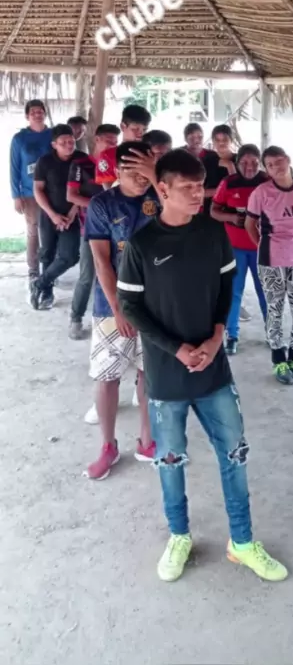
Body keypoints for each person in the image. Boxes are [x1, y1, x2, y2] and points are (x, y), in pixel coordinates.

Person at [117, 148, 288, 584]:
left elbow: (226, 288)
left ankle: (242, 542)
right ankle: (179, 536)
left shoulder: (213, 234)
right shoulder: (142, 244)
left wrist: (215, 338)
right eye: (188, 188)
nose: (198, 195)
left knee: (234, 454)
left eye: (201, 186)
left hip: (213, 369)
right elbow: (130, 307)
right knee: (170, 460)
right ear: (162, 189)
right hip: (167, 374)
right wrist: (176, 349)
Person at [84, 141, 161, 479]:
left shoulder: (162, 196)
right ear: (116, 171)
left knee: (150, 372)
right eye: (133, 171)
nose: (141, 178)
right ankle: (108, 446)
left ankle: (147, 440)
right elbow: (102, 261)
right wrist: (119, 309)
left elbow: (187, 219)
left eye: (146, 169)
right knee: (107, 376)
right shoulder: (102, 204)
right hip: (111, 304)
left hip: (157, 303)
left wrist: (155, 177)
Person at [245, 146, 293, 385]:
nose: (276, 167)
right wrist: (262, 245)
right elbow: (249, 224)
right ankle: (279, 360)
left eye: (279, 161)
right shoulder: (261, 192)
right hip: (270, 260)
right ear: (267, 169)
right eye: (270, 165)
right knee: (275, 309)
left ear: (288, 160)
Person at [211, 144, 268, 354]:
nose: (249, 167)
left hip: (262, 248)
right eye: (244, 162)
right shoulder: (228, 183)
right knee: (234, 292)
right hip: (235, 248)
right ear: (237, 162)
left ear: (260, 163)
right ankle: (232, 335)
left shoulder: (267, 182)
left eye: (254, 162)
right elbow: (214, 211)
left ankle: (273, 332)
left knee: (266, 292)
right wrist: (232, 217)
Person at [66, 124, 120, 340]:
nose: (112, 144)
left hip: (118, 226)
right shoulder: (81, 164)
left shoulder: (118, 163)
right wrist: (101, 206)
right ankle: (76, 317)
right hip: (90, 227)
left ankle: (114, 317)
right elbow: (72, 196)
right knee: (88, 275)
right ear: (97, 140)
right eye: (108, 140)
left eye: (115, 141)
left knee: (115, 273)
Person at [31, 124, 83, 311]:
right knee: (47, 253)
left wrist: (72, 213)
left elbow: (87, 189)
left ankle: (40, 283)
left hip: (72, 216)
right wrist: (53, 215)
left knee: (70, 256)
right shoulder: (45, 161)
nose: (69, 145)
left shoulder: (82, 159)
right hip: (49, 214)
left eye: (71, 141)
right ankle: (47, 291)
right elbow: (38, 190)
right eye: (64, 143)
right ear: (54, 144)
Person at [10, 99, 52, 287]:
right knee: (33, 231)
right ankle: (33, 270)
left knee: (50, 231)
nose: (37, 114)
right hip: (29, 193)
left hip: (53, 191)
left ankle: (50, 269)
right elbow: (14, 168)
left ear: (45, 113)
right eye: (33, 112)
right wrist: (16, 195)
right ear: (27, 116)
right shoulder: (19, 139)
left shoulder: (52, 135)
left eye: (40, 111)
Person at [94, 103, 151, 185]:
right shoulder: (107, 156)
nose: (140, 134)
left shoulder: (149, 154)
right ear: (123, 126)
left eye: (144, 130)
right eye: (135, 129)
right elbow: (109, 189)